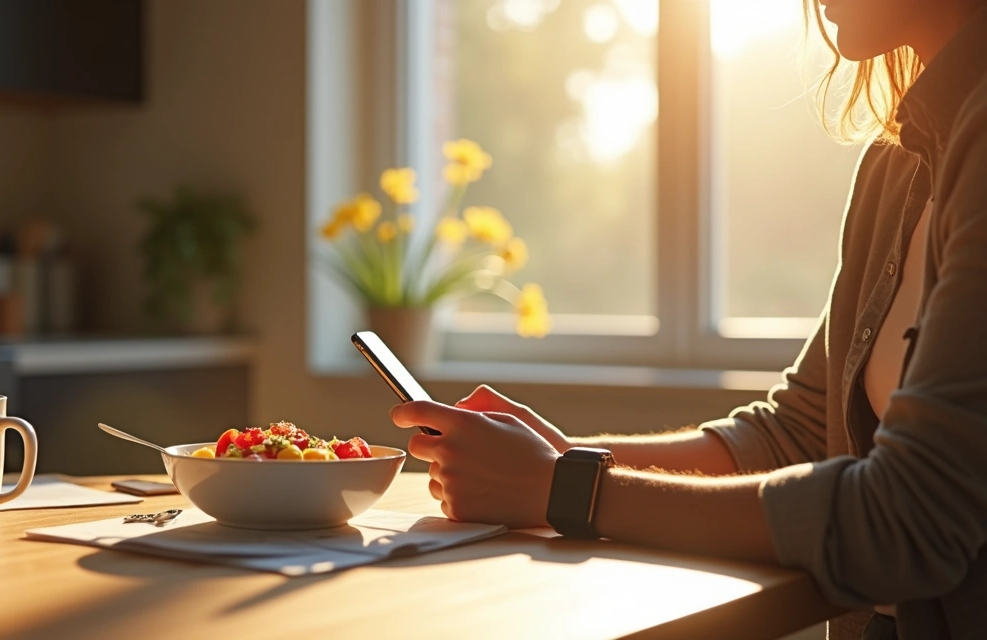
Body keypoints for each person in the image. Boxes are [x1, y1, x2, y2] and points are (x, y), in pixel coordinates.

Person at [389, 1, 987, 638]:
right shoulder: (897, 165)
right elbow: (800, 435)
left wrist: (562, 488)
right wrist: (560, 460)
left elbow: (909, 519)